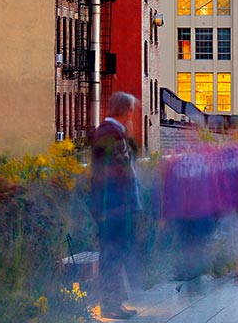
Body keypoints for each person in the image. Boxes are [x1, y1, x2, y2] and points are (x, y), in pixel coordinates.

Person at [90, 92, 141, 320]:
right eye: (132, 110)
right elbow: (122, 171)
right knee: (112, 255)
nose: (133, 115)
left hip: (110, 205)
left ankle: (114, 302)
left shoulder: (110, 133)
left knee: (114, 254)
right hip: (113, 206)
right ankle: (110, 304)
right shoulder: (111, 134)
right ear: (127, 111)